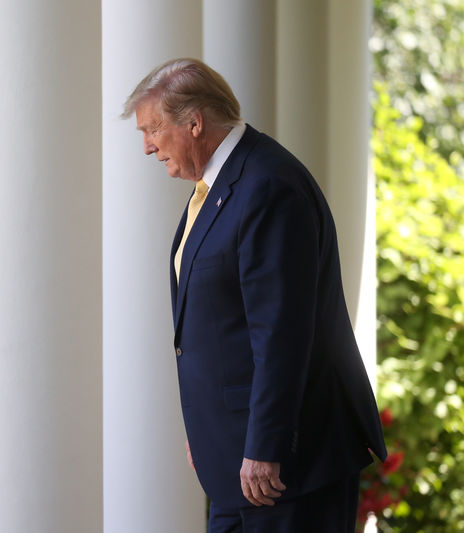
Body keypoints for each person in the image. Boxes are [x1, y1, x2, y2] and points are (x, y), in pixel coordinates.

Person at [123, 58, 387, 532]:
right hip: (239, 464)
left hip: (284, 470)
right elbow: (225, 324)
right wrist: (209, 429)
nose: (146, 146)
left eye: (153, 129)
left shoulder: (267, 186)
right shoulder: (221, 186)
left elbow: (280, 332)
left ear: (195, 122)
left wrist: (264, 447)